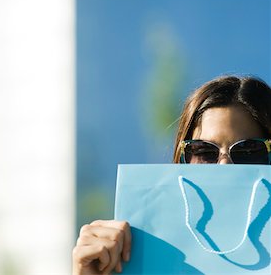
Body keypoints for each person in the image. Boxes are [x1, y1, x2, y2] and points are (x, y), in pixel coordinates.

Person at [72, 75, 271, 275]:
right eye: (204, 151)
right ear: (182, 157)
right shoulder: (133, 249)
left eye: (249, 150)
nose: (224, 166)